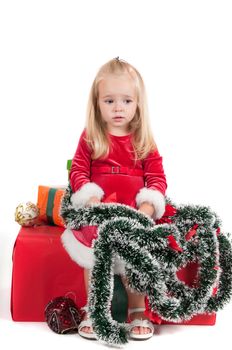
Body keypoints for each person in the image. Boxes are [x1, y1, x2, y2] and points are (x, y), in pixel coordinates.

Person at [62, 57, 167, 340]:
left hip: (134, 211)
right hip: (99, 211)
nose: (118, 108)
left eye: (126, 101)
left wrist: (147, 206)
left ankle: (137, 310)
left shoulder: (143, 140)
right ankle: (95, 308)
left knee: (135, 254)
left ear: (138, 104)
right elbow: (79, 172)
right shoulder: (91, 136)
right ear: (97, 103)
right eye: (109, 101)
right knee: (93, 251)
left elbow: (157, 178)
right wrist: (91, 200)